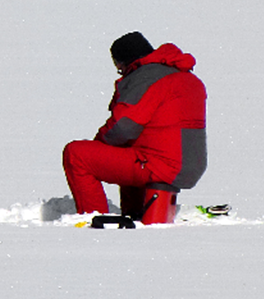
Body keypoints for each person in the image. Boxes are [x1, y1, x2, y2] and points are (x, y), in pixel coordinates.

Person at [62, 32, 207, 216]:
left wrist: (98, 146)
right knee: (132, 153)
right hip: (191, 165)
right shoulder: (186, 77)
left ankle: (95, 220)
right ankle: (136, 216)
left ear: (125, 62)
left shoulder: (147, 77)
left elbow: (123, 126)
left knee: (77, 154)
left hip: (161, 165)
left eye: (119, 68)